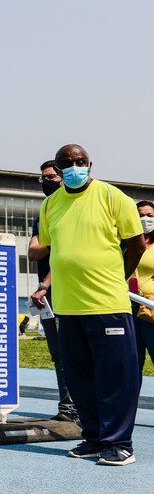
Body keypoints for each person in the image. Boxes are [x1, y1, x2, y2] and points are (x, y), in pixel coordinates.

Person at [32, 144, 144, 466]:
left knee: (115, 377)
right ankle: (94, 437)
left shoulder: (113, 197)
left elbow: (135, 244)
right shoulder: (51, 205)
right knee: (79, 379)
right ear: (57, 168)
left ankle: (119, 443)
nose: (74, 166)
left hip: (106, 302)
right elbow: (55, 250)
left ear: (90, 164)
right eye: (67, 163)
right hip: (67, 306)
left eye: (80, 161)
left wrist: (118, 277)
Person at [28, 160, 78, 423]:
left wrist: (45, 283)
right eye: (43, 179)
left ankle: (80, 408)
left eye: (51, 177)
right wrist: (53, 243)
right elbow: (33, 252)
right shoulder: (45, 211)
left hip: (68, 292)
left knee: (75, 354)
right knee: (58, 355)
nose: (46, 182)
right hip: (47, 297)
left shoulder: (72, 209)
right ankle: (69, 408)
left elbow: (66, 254)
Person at [131, 200, 154, 374]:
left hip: (151, 307)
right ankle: (130, 401)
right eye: (140, 215)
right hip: (128, 307)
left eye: (149, 215)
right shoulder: (125, 243)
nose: (144, 219)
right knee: (132, 361)